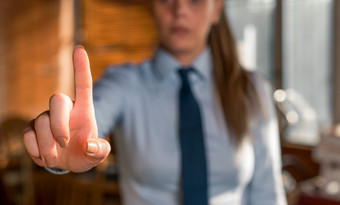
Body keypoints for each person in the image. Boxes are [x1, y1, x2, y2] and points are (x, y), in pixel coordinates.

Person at [23, 0, 287, 204]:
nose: (179, 10)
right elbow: (94, 119)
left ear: (216, 9)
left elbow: (268, 193)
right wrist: (62, 139)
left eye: (194, 0)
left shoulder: (251, 91)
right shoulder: (124, 83)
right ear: (153, 8)